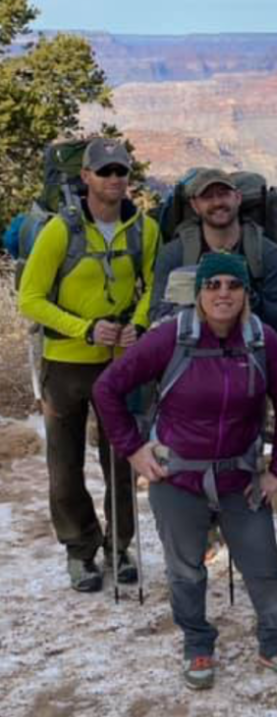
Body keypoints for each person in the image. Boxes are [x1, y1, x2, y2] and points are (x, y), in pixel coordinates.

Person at [93, 252, 277, 691]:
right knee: (186, 570)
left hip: (240, 478)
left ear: (246, 292)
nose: (223, 293)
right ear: (198, 293)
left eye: (233, 284)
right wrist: (133, 450)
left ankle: (274, 642)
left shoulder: (262, 341)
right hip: (179, 478)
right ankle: (196, 644)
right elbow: (107, 388)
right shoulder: (172, 338)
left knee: (264, 566)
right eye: (213, 285)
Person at [18, 138, 160, 593]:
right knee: (65, 465)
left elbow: (154, 289)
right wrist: (84, 329)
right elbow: (31, 299)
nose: (115, 179)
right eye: (105, 171)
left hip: (119, 364)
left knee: (121, 458)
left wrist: (136, 325)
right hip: (65, 365)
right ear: (86, 178)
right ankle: (80, 551)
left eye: (121, 170)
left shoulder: (144, 230)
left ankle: (120, 547)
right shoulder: (60, 231)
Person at [151, 168, 277, 336]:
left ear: (238, 198)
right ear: (195, 205)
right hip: (193, 351)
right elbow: (156, 314)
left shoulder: (266, 253)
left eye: (223, 194)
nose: (217, 202)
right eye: (208, 197)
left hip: (249, 349)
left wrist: (248, 297)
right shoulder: (175, 254)